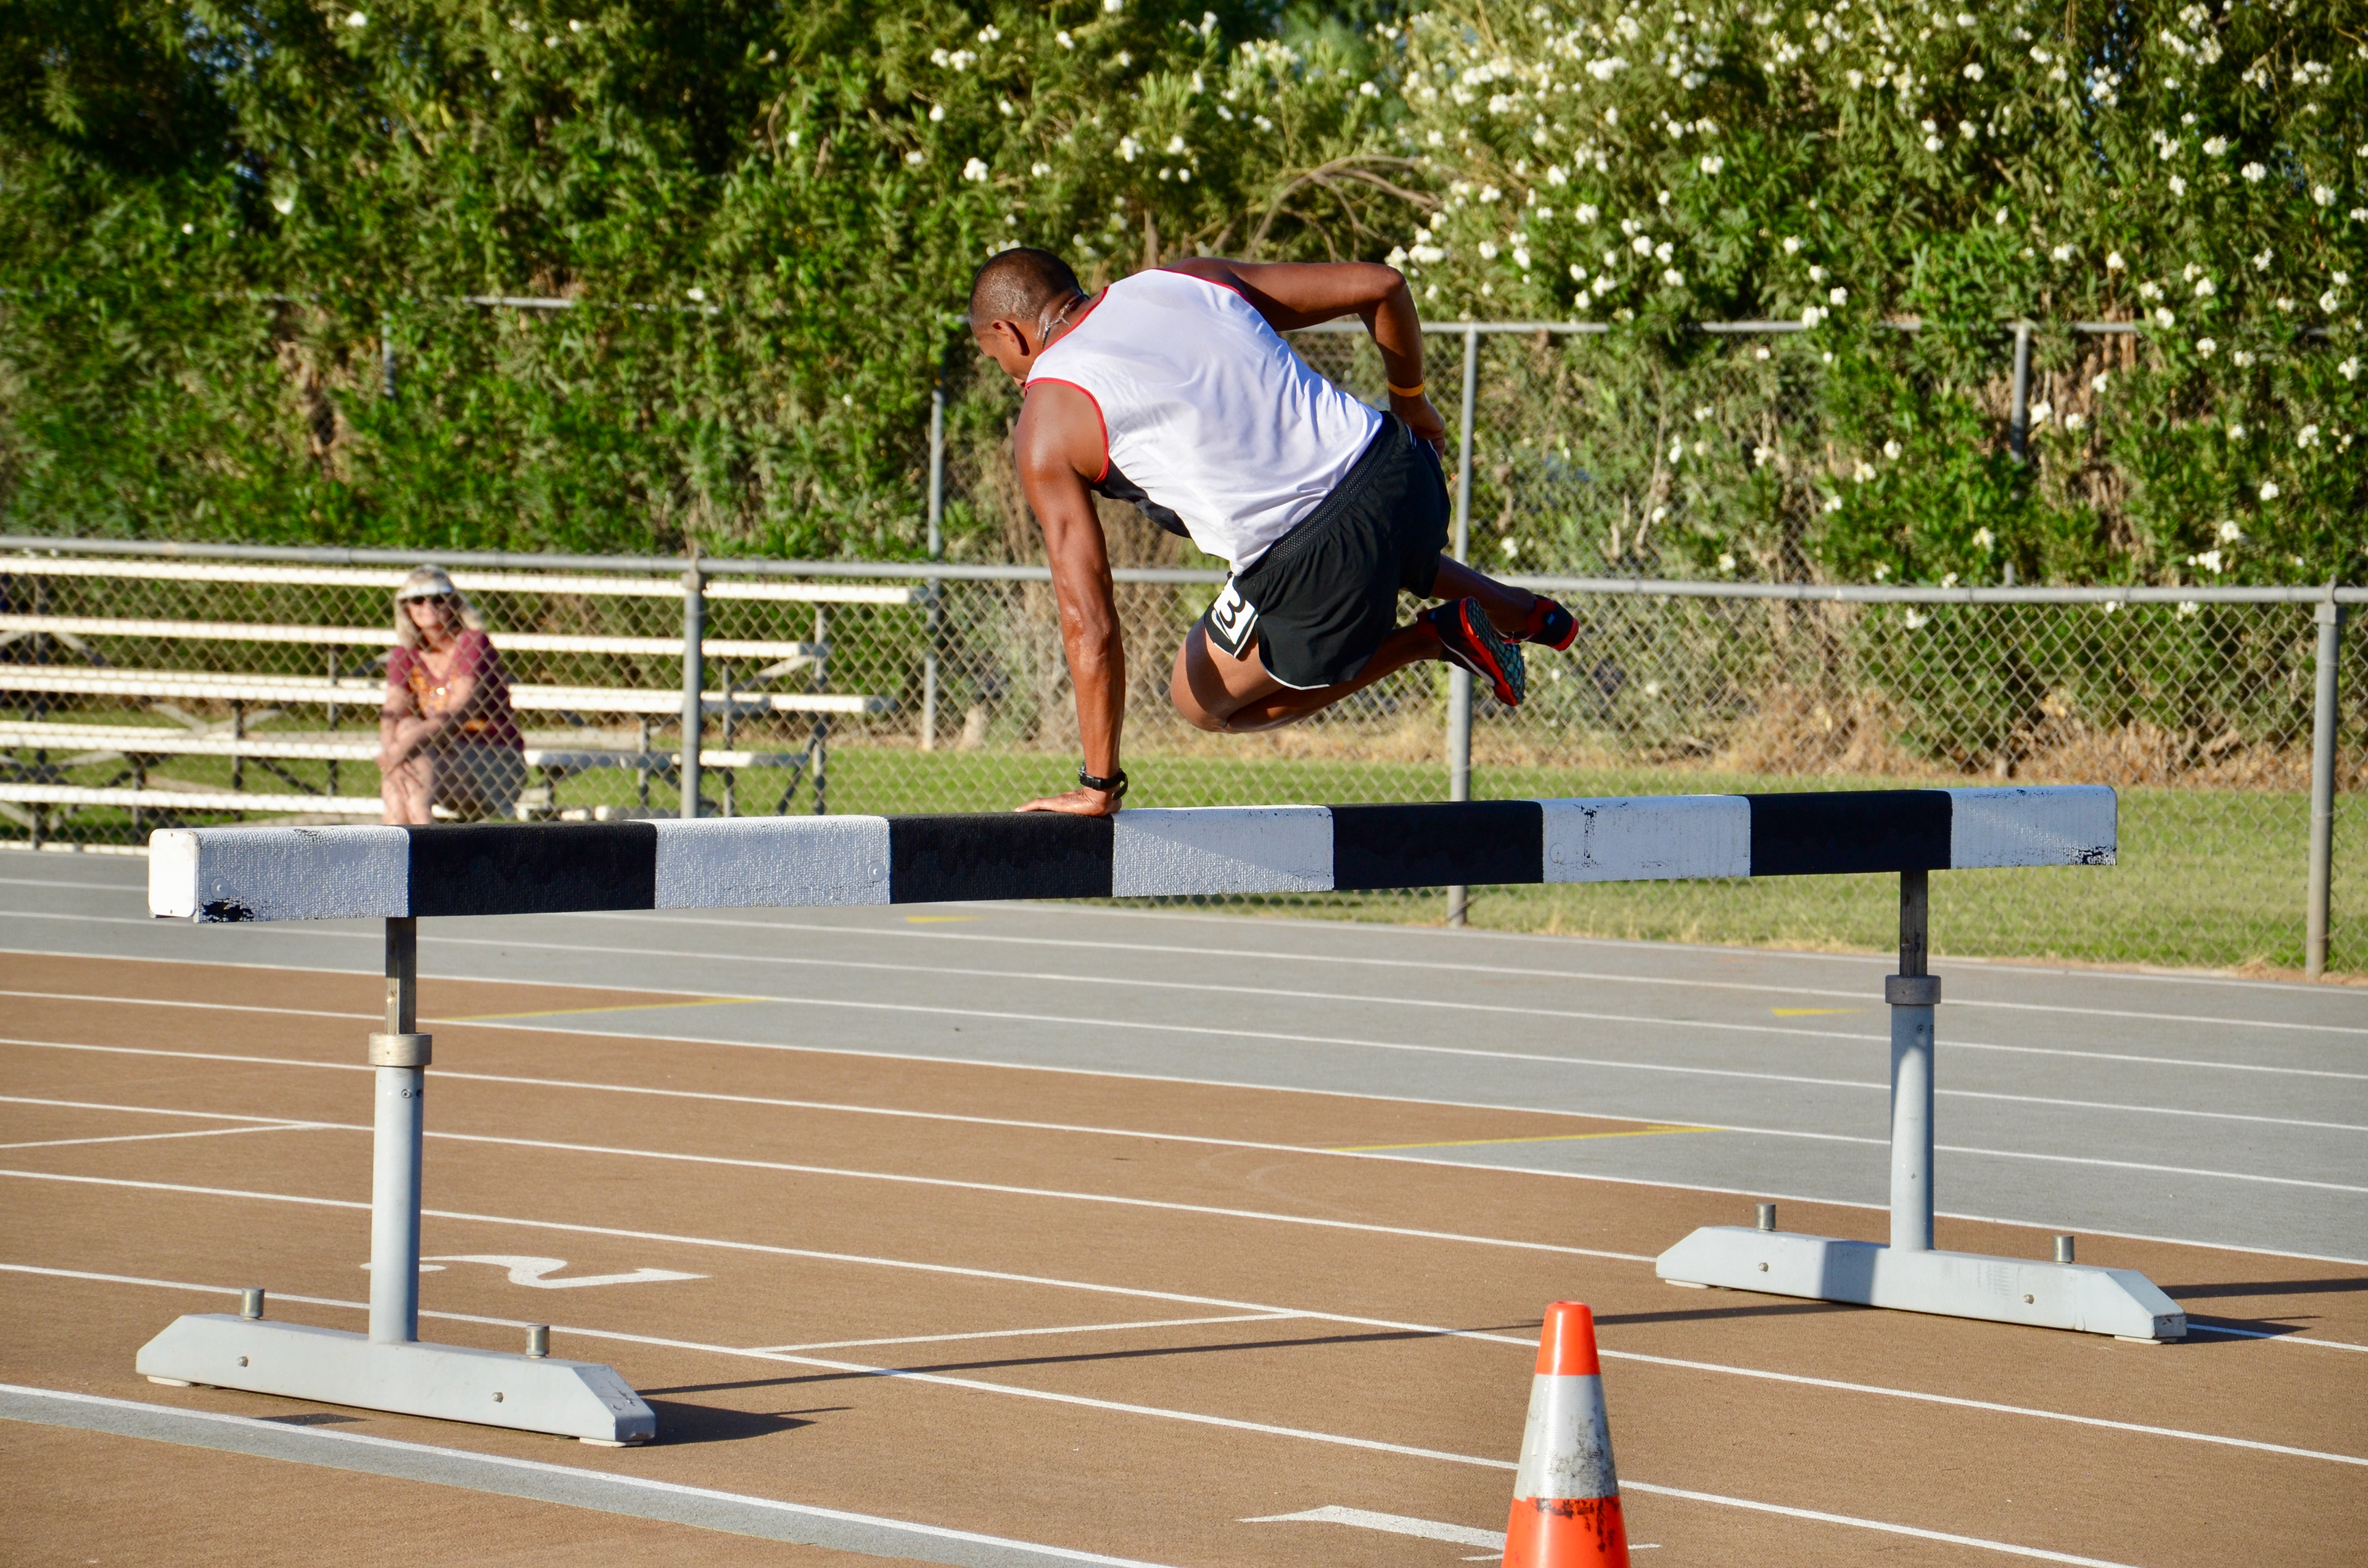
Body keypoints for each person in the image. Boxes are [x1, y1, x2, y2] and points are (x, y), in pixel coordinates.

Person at [969, 248, 1579, 817]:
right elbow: (1383, 287)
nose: (1016, 379)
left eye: (1002, 365)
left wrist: (1098, 784)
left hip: (1312, 561)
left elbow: (1090, 622)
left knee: (1199, 698)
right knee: (1372, 546)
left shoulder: (1046, 418)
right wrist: (1412, 403)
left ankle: (1435, 637)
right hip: (1402, 472)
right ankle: (1524, 613)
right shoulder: (1184, 279)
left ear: (1010, 333)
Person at [377, 564, 527, 824]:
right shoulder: (405, 654)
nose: (428, 605)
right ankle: (420, 835)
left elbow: (459, 710)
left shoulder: (472, 642)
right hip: (436, 753)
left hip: (491, 758)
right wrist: (394, 750)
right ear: (407, 608)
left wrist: (400, 749)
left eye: (439, 598)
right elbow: (394, 708)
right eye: (418, 599)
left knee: (411, 754)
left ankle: (409, 845)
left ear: (454, 603)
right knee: (408, 741)